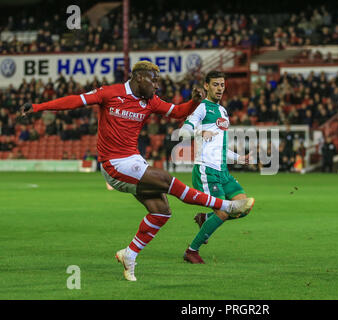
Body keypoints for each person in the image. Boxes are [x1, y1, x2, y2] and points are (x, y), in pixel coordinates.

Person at [19, 61, 254, 281]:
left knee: (161, 212)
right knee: (165, 179)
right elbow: (74, 101)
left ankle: (129, 255)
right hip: (114, 163)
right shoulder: (109, 93)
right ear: (139, 78)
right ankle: (226, 206)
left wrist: (193, 102)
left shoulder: (150, 101)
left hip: (133, 161)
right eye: (154, 81)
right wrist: (38, 107)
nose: (157, 86)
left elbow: (178, 112)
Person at [178, 71, 253, 264]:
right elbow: (184, 132)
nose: (219, 88)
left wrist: (240, 158)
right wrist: (199, 130)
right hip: (206, 169)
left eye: (222, 85)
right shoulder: (202, 108)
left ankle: (206, 218)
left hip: (223, 171)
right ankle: (191, 251)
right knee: (224, 211)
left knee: (243, 207)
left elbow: (221, 146)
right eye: (215, 85)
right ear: (206, 86)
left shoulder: (223, 111)